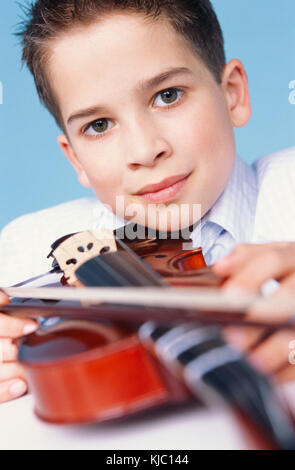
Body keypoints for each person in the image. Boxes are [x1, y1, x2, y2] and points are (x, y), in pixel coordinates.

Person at [0, 0, 295, 404]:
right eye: (99, 125)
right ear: (75, 159)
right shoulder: (23, 252)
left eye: (168, 95)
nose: (144, 150)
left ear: (232, 94)